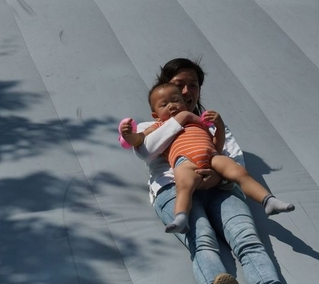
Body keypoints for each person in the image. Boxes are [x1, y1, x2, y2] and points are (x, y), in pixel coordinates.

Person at [120, 58, 319, 284]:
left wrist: (216, 176)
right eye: (179, 85)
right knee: (202, 240)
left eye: (193, 85)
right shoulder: (152, 124)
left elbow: (233, 160)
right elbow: (147, 150)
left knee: (246, 237)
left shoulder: (211, 123)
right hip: (175, 189)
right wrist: (181, 118)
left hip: (220, 187)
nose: (186, 92)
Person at [121, 82, 295, 234]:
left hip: (211, 156)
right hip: (184, 160)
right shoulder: (159, 125)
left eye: (176, 100)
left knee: (239, 172)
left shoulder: (197, 121)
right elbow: (139, 140)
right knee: (184, 185)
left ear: (185, 103)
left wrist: (219, 126)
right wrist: (129, 134)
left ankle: (268, 200)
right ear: (155, 115)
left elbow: (216, 144)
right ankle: (181, 217)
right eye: (164, 104)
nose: (172, 106)